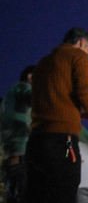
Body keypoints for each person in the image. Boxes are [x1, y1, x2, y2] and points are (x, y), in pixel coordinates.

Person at [25, 27, 88, 203]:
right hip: (63, 141)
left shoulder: (42, 63)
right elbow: (83, 87)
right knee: (64, 190)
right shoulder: (77, 55)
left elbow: (50, 101)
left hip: (36, 142)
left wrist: (81, 114)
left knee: (37, 195)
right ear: (82, 42)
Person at [0, 66, 35, 203]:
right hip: (22, 157)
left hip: (14, 157)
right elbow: (42, 103)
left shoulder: (10, 99)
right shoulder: (23, 87)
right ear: (30, 77)